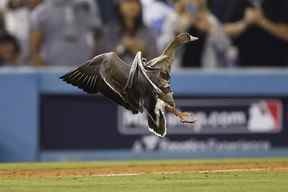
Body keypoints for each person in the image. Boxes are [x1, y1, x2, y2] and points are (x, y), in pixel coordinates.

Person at [160, 0, 233, 69]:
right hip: (179, 72)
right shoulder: (174, 19)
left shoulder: (210, 20)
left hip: (205, 72)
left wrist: (211, 30)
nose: (193, 2)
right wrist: (177, 33)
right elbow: (162, 48)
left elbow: (225, 47)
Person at [216, 0, 288, 67]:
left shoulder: (281, 2)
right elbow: (222, 30)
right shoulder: (236, 2)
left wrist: (262, 21)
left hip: (279, 66)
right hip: (244, 67)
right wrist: (244, 23)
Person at [30, 0, 102, 67]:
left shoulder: (88, 5)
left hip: (82, 67)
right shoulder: (43, 10)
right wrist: (44, 71)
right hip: (53, 67)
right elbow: (34, 48)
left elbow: (98, 35)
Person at [95, 0, 159, 63]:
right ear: (119, 5)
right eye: (128, 2)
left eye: (135, 2)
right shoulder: (108, 31)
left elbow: (156, 61)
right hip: (113, 72)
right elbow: (99, 60)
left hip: (140, 72)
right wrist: (122, 47)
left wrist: (143, 51)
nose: (132, 6)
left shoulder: (147, 32)